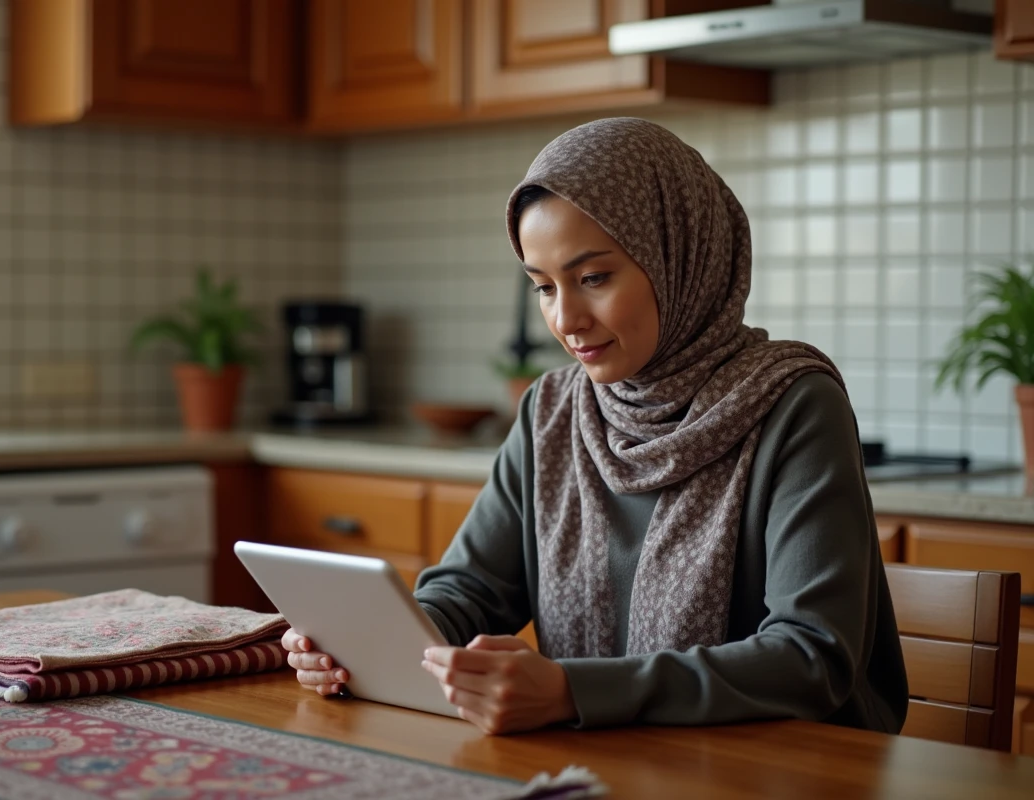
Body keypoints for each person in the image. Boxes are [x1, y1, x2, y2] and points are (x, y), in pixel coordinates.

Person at [281, 118, 908, 736]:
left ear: (678, 254)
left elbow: (812, 657)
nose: (567, 319)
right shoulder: (553, 409)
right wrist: (372, 643)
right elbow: (471, 590)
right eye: (544, 288)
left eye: (593, 278)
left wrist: (574, 692)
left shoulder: (792, 402)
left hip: (786, 771)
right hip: (609, 762)